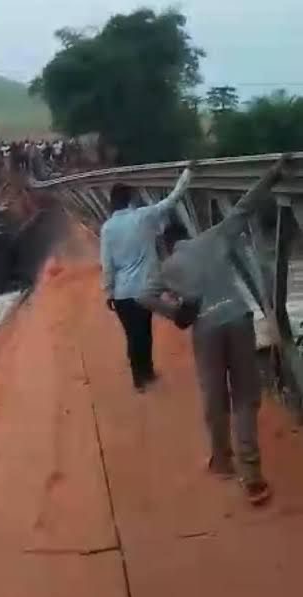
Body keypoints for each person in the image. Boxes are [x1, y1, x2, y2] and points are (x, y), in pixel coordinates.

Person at [139, 156, 288, 505]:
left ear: (167, 244)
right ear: (188, 235)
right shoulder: (212, 238)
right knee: (246, 398)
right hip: (237, 319)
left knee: (214, 396)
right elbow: (246, 205)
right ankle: (252, 477)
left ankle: (221, 460)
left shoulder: (168, 266)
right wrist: (274, 172)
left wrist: (176, 313)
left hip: (205, 330)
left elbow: (143, 296)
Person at [100, 165, 192, 391]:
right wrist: (187, 174)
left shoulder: (107, 228)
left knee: (132, 334)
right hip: (145, 290)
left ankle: (138, 377)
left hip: (122, 293)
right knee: (145, 331)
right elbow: (172, 200)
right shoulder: (143, 216)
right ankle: (147, 372)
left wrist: (109, 292)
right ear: (130, 200)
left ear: (111, 203)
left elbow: (107, 265)